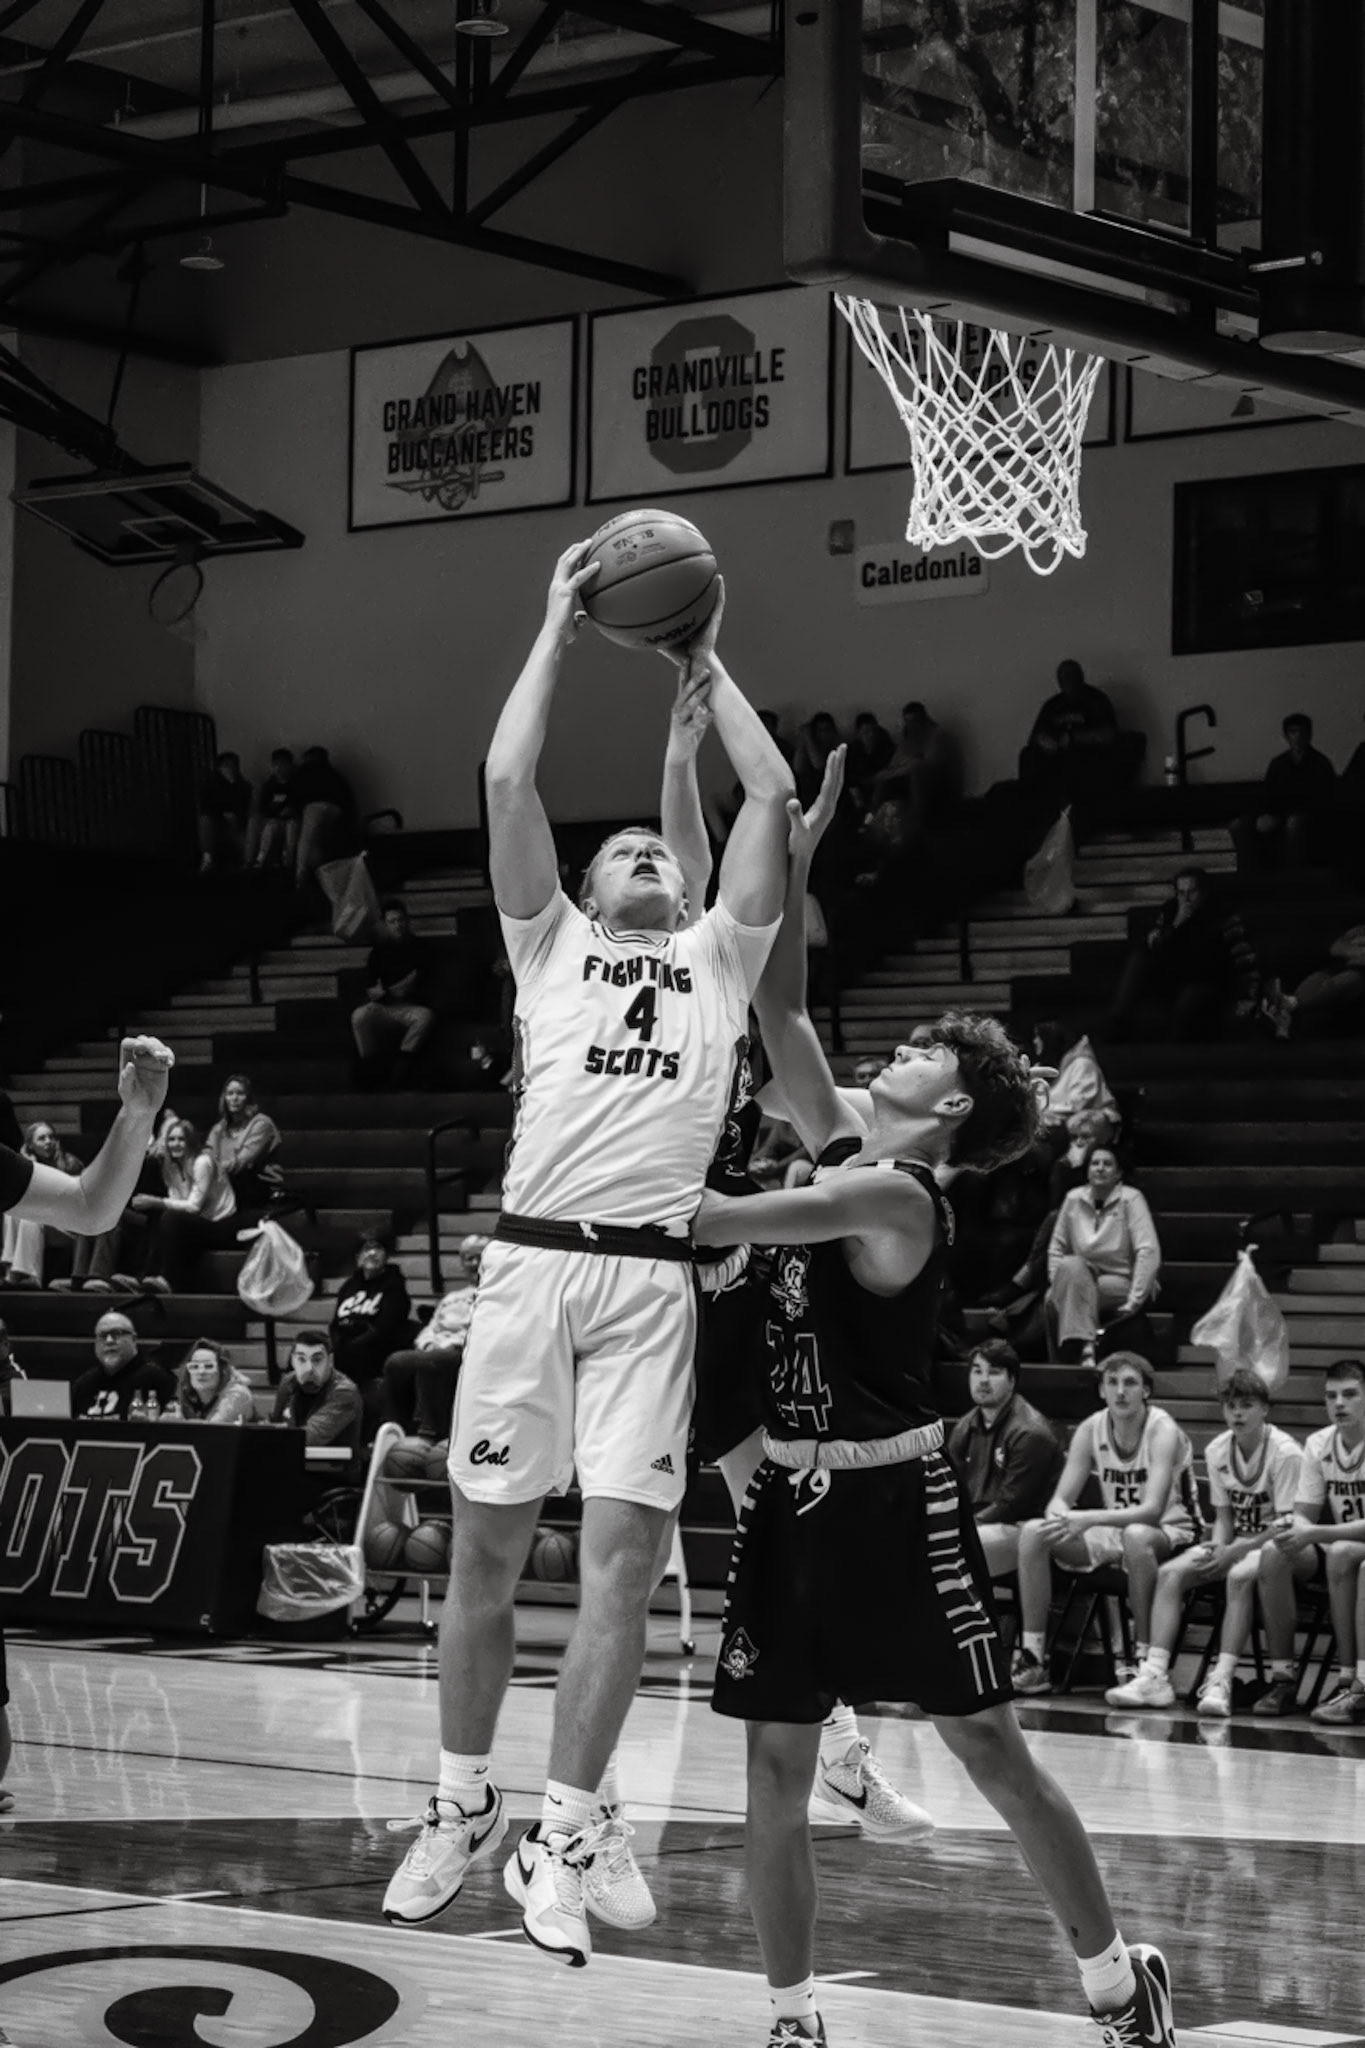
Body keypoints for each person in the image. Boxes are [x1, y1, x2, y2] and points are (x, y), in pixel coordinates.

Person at [691, 750, 1176, 2048]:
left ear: (947, 1102)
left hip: (901, 1509)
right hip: (796, 1504)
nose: (880, 1053)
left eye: (907, 1049)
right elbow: (784, 1012)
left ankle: (1114, 1983)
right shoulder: (853, 1151)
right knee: (776, 1770)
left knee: (992, 1757)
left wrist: (622, 1168)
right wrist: (794, 854)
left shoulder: (903, 1196)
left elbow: (724, 1211)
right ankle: (793, 2023)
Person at [382, 545, 792, 1968]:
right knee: (489, 1557)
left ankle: (564, 1830)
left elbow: (776, 800)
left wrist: (702, 659)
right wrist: (555, 622)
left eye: (660, 849)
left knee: (623, 1566)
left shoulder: (720, 961)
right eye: (623, 845)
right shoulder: (545, 943)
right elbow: (505, 784)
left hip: (651, 1286)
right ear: (583, 883)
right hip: (531, 1266)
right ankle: (458, 1805)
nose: (646, 848)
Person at [1105, 1369, 1303, 1716]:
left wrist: (1234, 1552)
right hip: (1237, 1543)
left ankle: (1221, 1680)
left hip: (1285, 1546)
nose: (1237, 1413)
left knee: (1238, 1575)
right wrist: (1219, 1548)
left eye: (1246, 1405)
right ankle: (1155, 1675)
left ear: (1264, 1410)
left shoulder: (1286, 1453)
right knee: (1170, 1574)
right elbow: (1225, 1517)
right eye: (1230, 1406)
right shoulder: (1215, 1450)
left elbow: (1288, 1524)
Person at [1013, 1352, 1197, 1698]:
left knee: (1137, 1535)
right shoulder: (1090, 1428)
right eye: (1112, 1383)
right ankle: (1034, 1658)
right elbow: (1061, 1498)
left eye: (1129, 1383)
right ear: (1101, 1390)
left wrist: (1089, 1517)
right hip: (1117, 1529)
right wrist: (1059, 1519)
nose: (1120, 1391)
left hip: (1173, 1530)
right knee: (1034, 1532)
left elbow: (1153, 1510)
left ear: (1146, 1391)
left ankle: (1147, 1668)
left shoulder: (1162, 1428)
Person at [1265, 1357, 1365, 1726]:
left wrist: (1314, 1532)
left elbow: (1319, 1530)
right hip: (1344, 1545)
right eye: (1331, 1396)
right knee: (1274, 1553)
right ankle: (1283, 1679)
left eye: (1350, 1394)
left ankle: (1353, 1681)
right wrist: (1292, 1527)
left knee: (1342, 1553)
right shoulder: (1319, 1444)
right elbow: (1305, 1512)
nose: (1339, 1403)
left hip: (1350, 1548)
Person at [946, 1339, 1066, 1581]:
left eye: (994, 1372)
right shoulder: (964, 1426)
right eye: (977, 1371)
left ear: (1012, 1381)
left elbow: (1011, 1505)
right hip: (984, 1523)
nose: (983, 1380)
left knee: (949, 1550)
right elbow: (951, 1489)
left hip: (1028, 1529)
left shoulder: (1030, 1432)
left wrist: (961, 1527)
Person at [1046, 1146, 1161, 1368]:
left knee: (1067, 1291)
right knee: (1067, 1271)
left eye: (1107, 1164)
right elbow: (1056, 1248)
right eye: (1094, 1163)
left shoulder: (1132, 1199)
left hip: (1119, 1280)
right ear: (1087, 1170)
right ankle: (1084, 1349)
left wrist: (1135, 1300)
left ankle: (1077, 1353)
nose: (1100, 1168)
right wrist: (1059, 1282)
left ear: (1118, 1173)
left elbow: (1148, 1251)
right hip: (1077, 1275)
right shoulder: (1072, 1198)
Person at [1107, 868, 1239, 1043]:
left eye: (1192, 892)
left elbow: (1215, 955)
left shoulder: (1218, 914)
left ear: (1203, 893)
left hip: (1204, 977)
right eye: (1181, 893)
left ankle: (1176, 1042)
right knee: (1138, 960)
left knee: (1191, 998)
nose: (1185, 899)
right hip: (1171, 973)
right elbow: (1154, 945)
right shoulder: (1170, 911)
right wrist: (1176, 924)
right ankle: (1118, 1021)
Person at [112, 1116, 238, 1295]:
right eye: (171, 1139)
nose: (176, 1144)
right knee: (158, 1216)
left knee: (170, 1216)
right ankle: (144, 1276)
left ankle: (167, 1278)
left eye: (181, 1139)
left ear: (190, 1141)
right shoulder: (170, 1166)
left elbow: (194, 1207)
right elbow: (175, 1199)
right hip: (195, 1221)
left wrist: (156, 1201)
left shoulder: (202, 1162)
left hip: (220, 1223)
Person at [382, 1234, 488, 1442]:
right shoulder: (452, 1298)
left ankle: (430, 1432)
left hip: (468, 1353)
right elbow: (430, 1328)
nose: (474, 1263)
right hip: (436, 1350)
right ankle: (396, 1429)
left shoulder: (499, 1295)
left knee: (432, 1361)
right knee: (395, 1362)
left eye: (479, 1257)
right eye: (468, 1258)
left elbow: (488, 1331)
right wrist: (428, 1342)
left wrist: (451, 1344)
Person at [1232, 713, 1337, 873]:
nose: (1298, 736)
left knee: (1295, 823)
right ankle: (1249, 878)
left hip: (1307, 818)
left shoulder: (1320, 764)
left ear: (1310, 734)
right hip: (1278, 814)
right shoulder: (1278, 764)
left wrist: (1279, 816)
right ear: (1286, 735)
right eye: (1293, 732)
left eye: (1302, 731)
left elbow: (1320, 802)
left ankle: (1292, 878)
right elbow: (1267, 794)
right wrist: (1262, 815)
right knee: (1239, 826)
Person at [351, 899, 435, 1086]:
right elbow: (372, 986)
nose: (397, 925)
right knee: (359, 1016)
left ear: (407, 921)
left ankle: (402, 1066)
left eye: (400, 920)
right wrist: (380, 992)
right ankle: (369, 1066)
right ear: (385, 924)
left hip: (410, 1007)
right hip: (384, 1006)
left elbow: (416, 981)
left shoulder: (421, 948)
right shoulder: (378, 952)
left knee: (424, 1017)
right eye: (392, 921)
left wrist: (395, 991)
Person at [331, 1234, 413, 1420]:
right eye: (367, 1249)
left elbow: (387, 1327)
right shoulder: (348, 1286)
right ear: (357, 1257)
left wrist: (354, 1345)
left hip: (376, 1347)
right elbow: (334, 1324)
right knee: (306, 1349)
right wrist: (338, 1343)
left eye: (378, 1249)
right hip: (347, 1347)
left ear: (386, 1257)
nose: (372, 1253)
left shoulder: (394, 1286)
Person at [2, 1121, 85, 1289]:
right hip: (46, 1224)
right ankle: (10, 1270)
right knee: (12, 1210)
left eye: (51, 1137)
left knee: (29, 1218)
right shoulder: (24, 1167)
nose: (48, 1141)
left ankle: (31, 1276)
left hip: (70, 1227)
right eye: (42, 1138)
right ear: (30, 1146)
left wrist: (35, 1166)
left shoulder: (70, 1164)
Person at [1261, 923, 1365, 1040]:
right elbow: (1336, 947)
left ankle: (1286, 1008)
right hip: (1346, 968)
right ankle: (1285, 1008)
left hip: (1358, 977)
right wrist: (1356, 952)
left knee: (1350, 978)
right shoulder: (1360, 930)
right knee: (1322, 976)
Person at [71, 1308, 178, 1420]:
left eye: (117, 1333)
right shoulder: (84, 1384)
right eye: (102, 1335)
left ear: (134, 1339)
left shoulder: (158, 1379)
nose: (109, 1340)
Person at [271, 1327, 363, 1449]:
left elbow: (310, 1438)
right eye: (301, 1359)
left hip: (331, 1466)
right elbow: (275, 1426)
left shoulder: (345, 1392)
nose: (309, 1368)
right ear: (293, 1361)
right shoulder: (288, 1383)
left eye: (317, 1360)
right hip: (292, 1461)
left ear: (330, 1361)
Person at [207, 1074, 282, 1214]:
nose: (234, 1098)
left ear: (248, 1098)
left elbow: (243, 1162)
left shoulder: (262, 1124)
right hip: (226, 1184)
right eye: (230, 1093)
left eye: (240, 1093)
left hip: (259, 1186)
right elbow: (207, 1154)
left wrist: (210, 1171)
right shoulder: (219, 1128)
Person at [292, 745, 356, 888]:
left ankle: (301, 876)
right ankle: (322, 876)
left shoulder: (306, 772)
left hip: (313, 807)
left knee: (307, 841)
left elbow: (297, 795)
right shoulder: (335, 775)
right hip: (337, 810)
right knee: (321, 843)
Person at [173, 1337, 257, 1425]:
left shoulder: (238, 1394)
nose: (201, 1372)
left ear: (222, 1370)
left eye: (209, 1366)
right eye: (194, 1367)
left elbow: (210, 1432)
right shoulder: (186, 1394)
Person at [198, 750, 252, 872]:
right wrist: (222, 814)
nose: (230, 768)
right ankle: (207, 859)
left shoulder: (244, 786)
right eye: (226, 765)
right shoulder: (210, 786)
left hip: (237, 824)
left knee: (243, 842)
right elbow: (207, 808)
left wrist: (233, 785)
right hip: (216, 823)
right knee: (205, 821)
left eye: (233, 765)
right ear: (220, 769)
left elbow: (244, 808)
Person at [249, 747, 300, 870]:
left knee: (291, 827)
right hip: (274, 819)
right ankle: (260, 860)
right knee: (271, 826)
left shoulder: (297, 783)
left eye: (283, 764)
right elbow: (263, 809)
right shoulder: (269, 786)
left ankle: (289, 863)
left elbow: (301, 804)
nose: (279, 768)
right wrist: (274, 809)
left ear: (290, 765)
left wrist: (291, 810)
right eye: (276, 764)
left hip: (292, 820)